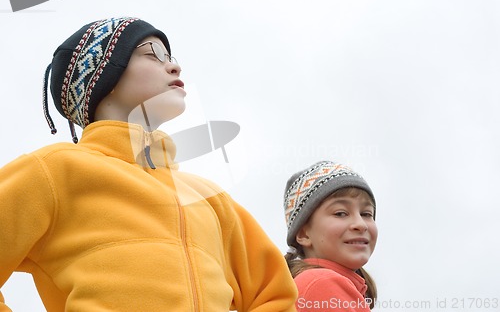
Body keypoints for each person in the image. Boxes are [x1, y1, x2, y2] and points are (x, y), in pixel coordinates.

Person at [0, 16, 297, 312]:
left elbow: (276, 294)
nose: (174, 67)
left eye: (171, 58)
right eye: (151, 55)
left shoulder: (210, 197)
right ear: (105, 76)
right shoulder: (56, 170)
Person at [283, 161, 378, 311]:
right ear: (303, 234)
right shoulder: (321, 283)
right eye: (340, 213)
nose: (361, 224)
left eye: (366, 214)